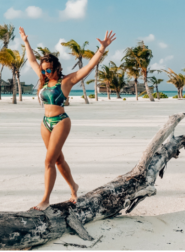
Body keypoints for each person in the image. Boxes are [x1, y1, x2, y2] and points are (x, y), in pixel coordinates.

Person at [20, 26, 116, 210]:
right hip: (45, 123)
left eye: (48, 70)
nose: (45, 73)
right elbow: (31, 60)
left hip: (61, 122)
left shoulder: (67, 81)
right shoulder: (44, 80)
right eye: (44, 70)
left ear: (56, 68)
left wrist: (102, 48)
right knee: (57, 160)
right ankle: (74, 187)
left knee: (48, 161)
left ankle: (45, 200)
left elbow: (88, 67)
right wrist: (26, 41)